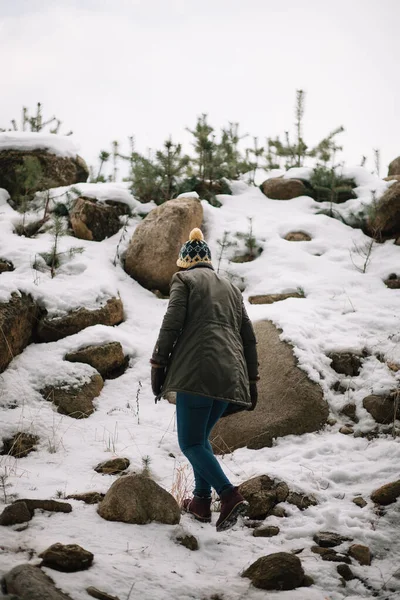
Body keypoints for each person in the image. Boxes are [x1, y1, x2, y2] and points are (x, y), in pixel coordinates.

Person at [150, 228, 259, 532]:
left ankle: (229, 495)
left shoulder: (183, 280)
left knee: (189, 442)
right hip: (230, 375)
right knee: (201, 441)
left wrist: (158, 364)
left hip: (197, 373)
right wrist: (252, 380)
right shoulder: (231, 289)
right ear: (209, 263)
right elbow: (248, 339)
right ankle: (200, 501)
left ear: (184, 264)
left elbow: (170, 326)